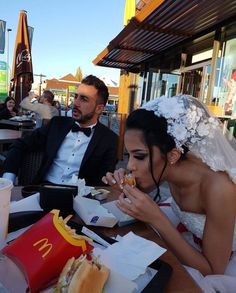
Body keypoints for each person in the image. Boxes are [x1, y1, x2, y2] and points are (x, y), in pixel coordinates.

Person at [102, 94, 236, 292]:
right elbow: (140, 189)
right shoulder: (169, 166)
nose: (130, 165)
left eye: (139, 156)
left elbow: (213, 271)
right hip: (188, 240)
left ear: (173, 154)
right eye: (129, 155)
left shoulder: (219, 188)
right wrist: (122, 184)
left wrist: (157, 218)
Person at [3, 75, 118, 186]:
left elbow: (105, 179)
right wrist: (8, 179)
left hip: (80, 198)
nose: (75, 103)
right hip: (43, 191)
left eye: (83, 99)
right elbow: (20, 144)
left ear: (99, 108)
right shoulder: (57, 124)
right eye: (76, 97)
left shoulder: (109, 139)